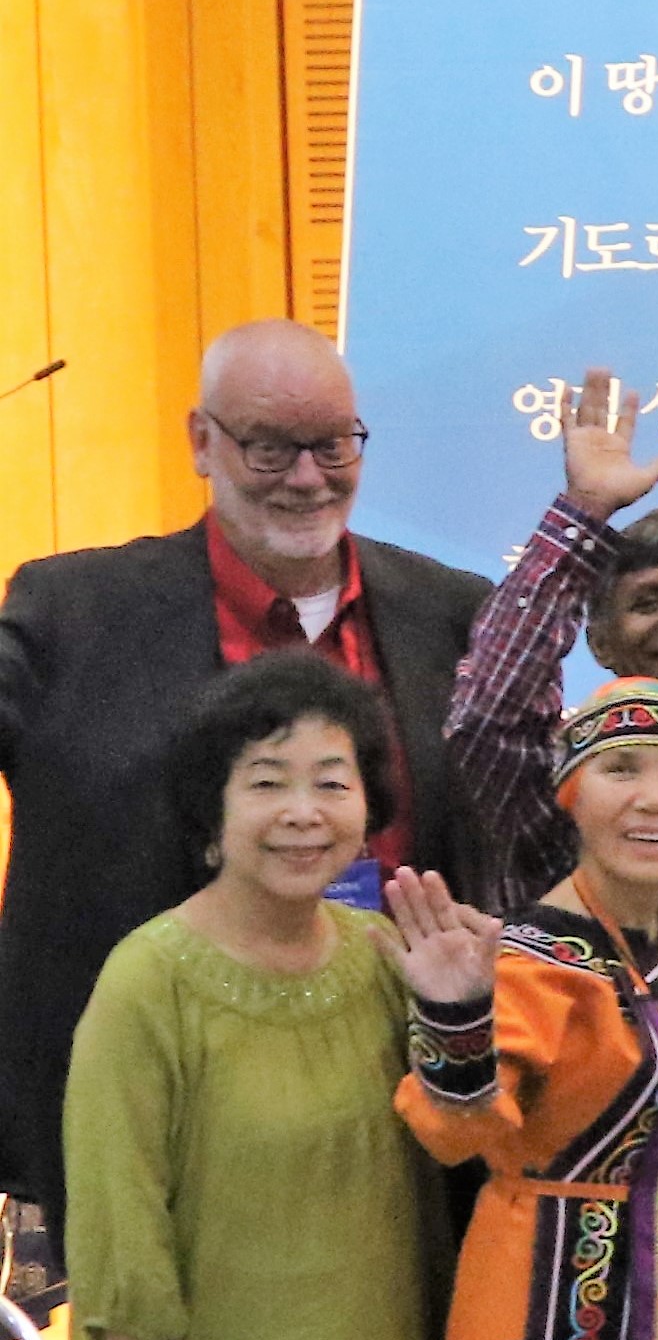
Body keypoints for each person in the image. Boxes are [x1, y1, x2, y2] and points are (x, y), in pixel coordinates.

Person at [2, 320, 492, 1212]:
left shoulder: (452, 610)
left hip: (409, 1119)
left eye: (333, 444)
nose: (308, 477)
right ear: (202, 442)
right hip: (161, 1122)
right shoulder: (71, 613)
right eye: (269, 449)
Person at [60, 656, 435, 1340]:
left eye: (331, 782)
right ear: (213, 806)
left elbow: (462, 1143)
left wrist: (462, 1010)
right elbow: (121, 1249)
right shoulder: (148, 980)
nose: (303, 812)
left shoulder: (388, 953)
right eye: (267, 782)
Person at [392, 678, 658, 1340]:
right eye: (620, 769)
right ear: (572, 795)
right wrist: (456, 1015)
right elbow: (451, 1134)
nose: (655, 797)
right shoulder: (533, 959)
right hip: (550, 1314)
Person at [449, 365, 658, 913]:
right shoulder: (559, 784)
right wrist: (585, 510)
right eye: (647, 603)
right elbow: (488, 717)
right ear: (599, 644)